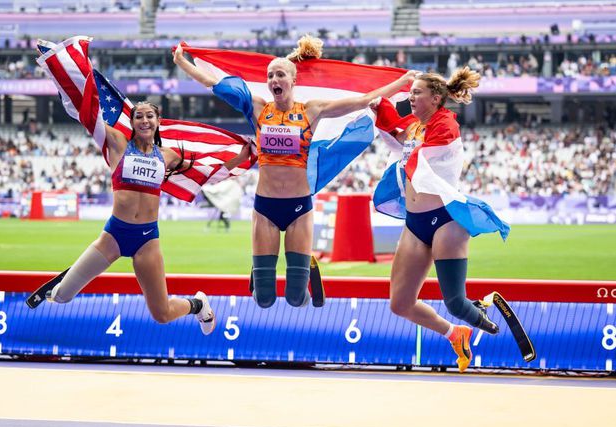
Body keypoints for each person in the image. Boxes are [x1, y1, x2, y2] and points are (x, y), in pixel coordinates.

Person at [173, 36, 407, 309]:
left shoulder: (312, 110)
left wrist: (403, 82)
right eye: (270, 75)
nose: (274, 79)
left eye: (280, 74)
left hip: (299, 208)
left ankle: (308, 265)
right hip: (265, 209)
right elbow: (213, 83)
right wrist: (182, 62)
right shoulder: (258, 107)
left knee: (296, 298)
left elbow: (365, 99)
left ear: (293, 81)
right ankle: (261, 271)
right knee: (263, 299)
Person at [28, 100, 252, 336]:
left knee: (162, 314)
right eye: (139, 117)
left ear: (158, 121)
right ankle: (70, 277)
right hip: (114, 235)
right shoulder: (117, 143)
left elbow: (203, 175)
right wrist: (62, 69)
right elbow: (87, 115)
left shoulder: (168, 156)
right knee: (62, 296)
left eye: (149, 116)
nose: (145, 121)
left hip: (146, 239)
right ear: (132, 122)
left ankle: (198, 305)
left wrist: (241, 158)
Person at [371, 68, 510, 372]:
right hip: (415, 223)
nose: (411, 96)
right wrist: (381, 100)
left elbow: (416, 157)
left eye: (417, 92)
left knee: (455, 303)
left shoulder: (445, 123)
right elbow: (393, 129)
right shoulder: (415, 128)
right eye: (411, 92)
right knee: (400, 304)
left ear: (436, 98)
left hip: (446, 218)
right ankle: (455, 333)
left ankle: (488, 321)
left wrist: (394, 129)